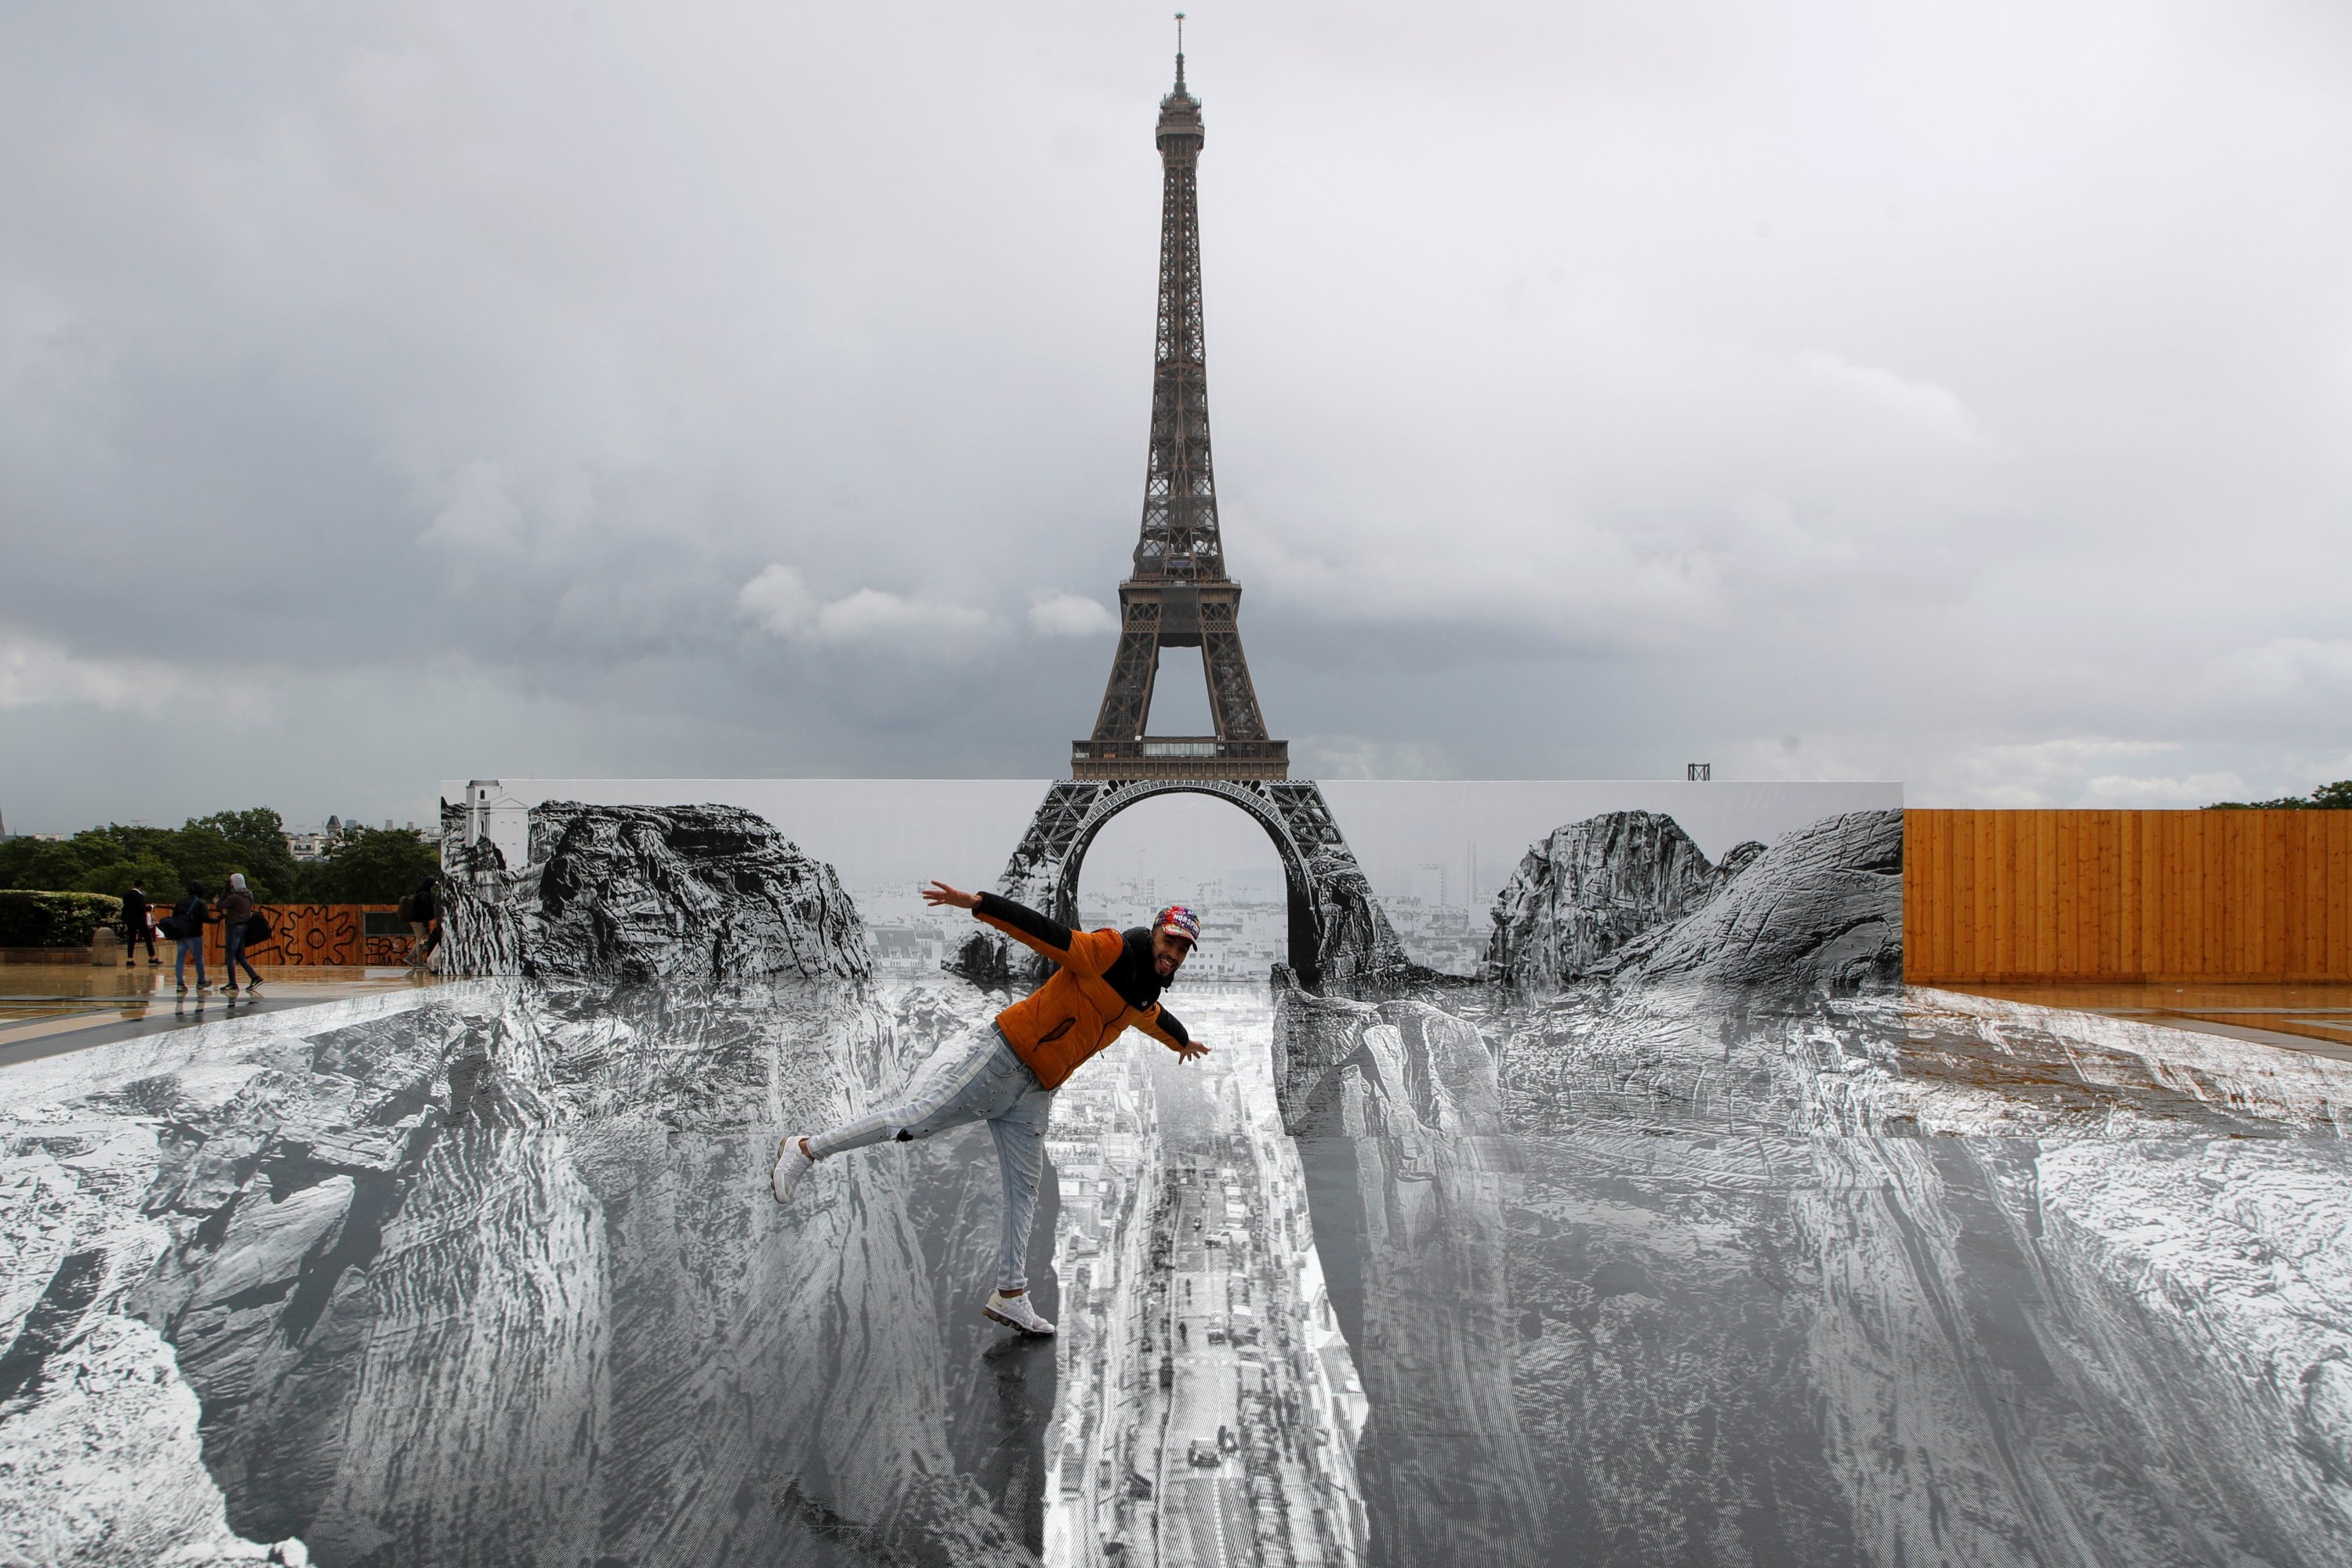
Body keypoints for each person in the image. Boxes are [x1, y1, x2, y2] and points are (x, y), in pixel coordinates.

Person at [771, 884, 1208, 1337]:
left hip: (1038, 1092)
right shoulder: (1109, 951)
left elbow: (1150, 1017)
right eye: (1170, 940)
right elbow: (1048, 935)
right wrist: (981, 906)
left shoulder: (1144, 988)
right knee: (913, 1122)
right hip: (1006, 1060)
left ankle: (1011, 1295)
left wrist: (1183, 1041)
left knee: (1024, 1191)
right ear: (1156, 931)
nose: (1174, 952)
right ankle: (805, 1149)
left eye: (1183, 947)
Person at [220, 873, 263, 995]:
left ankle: (233, 983)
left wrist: (226, 891)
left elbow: (220, 905)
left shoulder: (234, 897)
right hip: (245, 926)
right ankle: (255, 977)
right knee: (239, 955)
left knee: (230, 956)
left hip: (234, 926)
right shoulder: (249, 894)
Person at [170, 882, 212, 995]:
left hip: (181, 933)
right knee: (198, 957)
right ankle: (201, 980)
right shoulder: (200, 902)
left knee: (180, 958)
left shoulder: (180, 901)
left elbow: (174, 916)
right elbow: (205, 918)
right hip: (194, 933)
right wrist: (217, 920)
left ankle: (180, 983)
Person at [401, 877, 440, 971]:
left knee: (422, 940)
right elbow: (425, 912)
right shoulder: (425, 895)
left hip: (416, 920)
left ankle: (410, 957)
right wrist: (426, 925)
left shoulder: (420, 893)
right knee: (422, 940)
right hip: (419, 921)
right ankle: (419, 962)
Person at [122, 878, 158, 966]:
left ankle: (130, 959)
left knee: (131, 939)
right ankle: (152, 957)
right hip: (140, 920)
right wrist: (151, 907)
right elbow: (142, 909)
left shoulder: (127, 895)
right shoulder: (139, 896)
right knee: (148, 937)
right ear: (141, 886)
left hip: (130, 920)